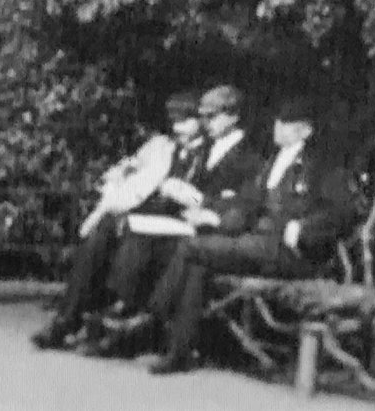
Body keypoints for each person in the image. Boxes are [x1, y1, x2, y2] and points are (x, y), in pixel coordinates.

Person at [98, 93, 358, 374]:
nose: (278, 127)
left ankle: (149, 317)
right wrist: (212, 213)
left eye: (287, 123)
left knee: (192, 248)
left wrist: (300, 230)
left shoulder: (321, 166)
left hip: (293, 254)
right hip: (258, 244)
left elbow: (342, 212)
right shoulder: (274, 161)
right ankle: (179, 351)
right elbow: (247, 203)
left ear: (305, 130)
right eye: (278, 121)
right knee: (199, 262)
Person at [31, 91, 205, 350]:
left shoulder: (205, 153)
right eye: (175, 122)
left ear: (199, 121)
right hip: (150, 216)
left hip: (177, 223)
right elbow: (143, 181)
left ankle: (111, 324)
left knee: (132, 238)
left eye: (185, 121)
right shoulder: (166, 148)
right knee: (103, 230)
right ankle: (68, 319)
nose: (178, 128)